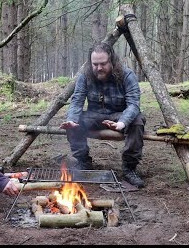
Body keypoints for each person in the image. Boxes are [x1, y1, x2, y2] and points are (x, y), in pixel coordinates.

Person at [60, 42, 146, 188]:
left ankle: (129, 169)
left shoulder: (127, 75)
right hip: (95, 115)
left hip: (119, 115)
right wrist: (72, 120)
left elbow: (133, 105)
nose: (99, 68)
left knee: (137, 121)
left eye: (103, 63)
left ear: (111, 60)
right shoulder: (85, 76)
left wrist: (122, 122)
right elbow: (76, 101)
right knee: (74, 121)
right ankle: (84, 163)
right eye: (95, 64)